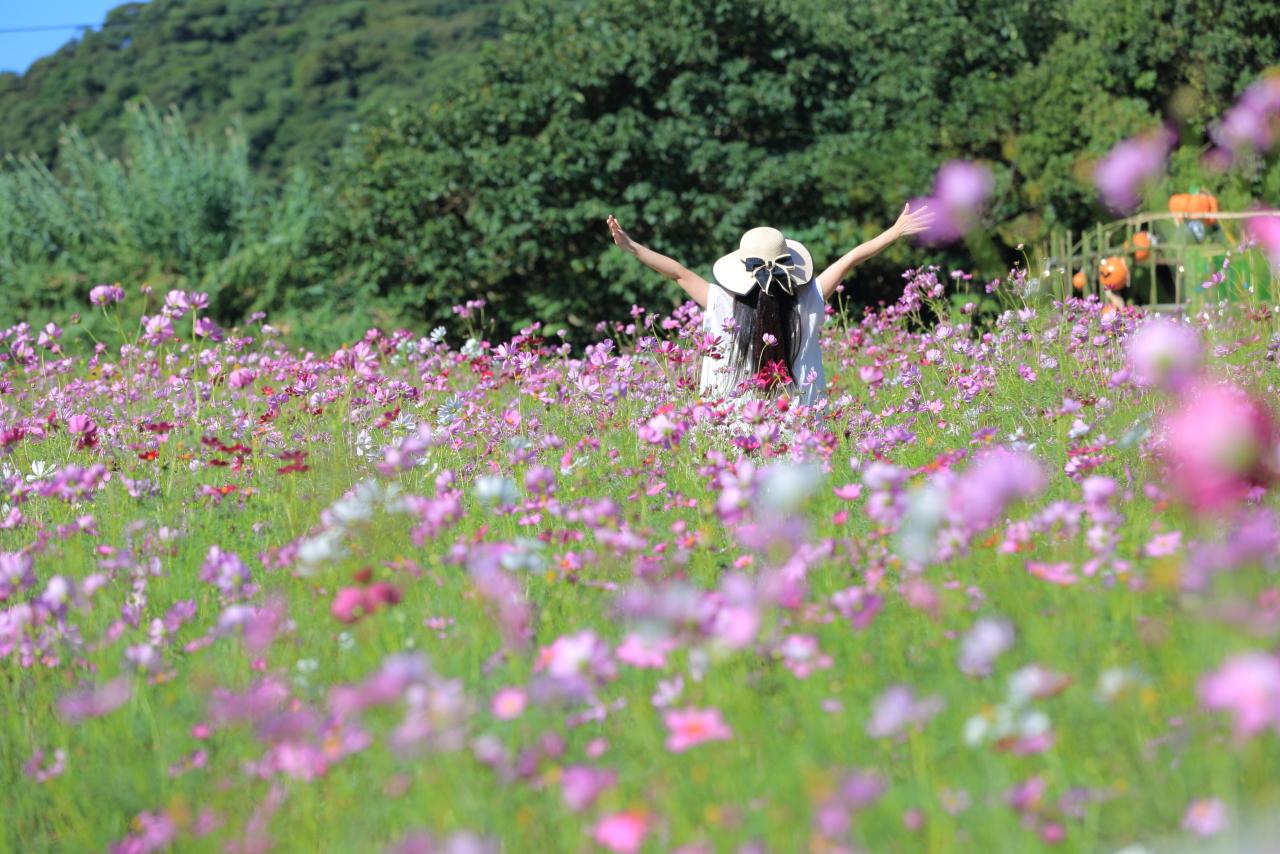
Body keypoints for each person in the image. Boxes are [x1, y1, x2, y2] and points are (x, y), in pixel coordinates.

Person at [606, 204, 935, 406]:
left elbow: (677, 273)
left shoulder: (721, 303)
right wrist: (894, 232)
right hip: (800, 425)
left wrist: (631, 245)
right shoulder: (809, 300)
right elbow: (850, 259)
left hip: (731, 426)